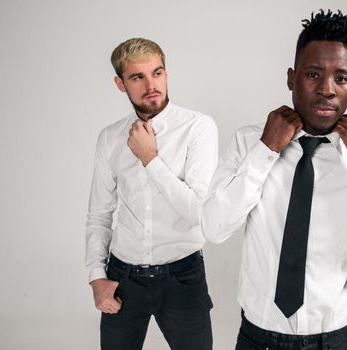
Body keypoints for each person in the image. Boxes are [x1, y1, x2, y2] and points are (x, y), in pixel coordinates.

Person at [201, 10, 347, 350]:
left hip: (333, 340)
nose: (327, 89)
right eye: (313, 74)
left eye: (341, 78)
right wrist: (266, 150)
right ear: (291, 78)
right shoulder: (248, 143)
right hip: (258, 338)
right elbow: (214, 227)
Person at [85, 37, 217, 350]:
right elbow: (99, 215)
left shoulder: (198, 128)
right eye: (137, 77)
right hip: (122, 278)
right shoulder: (110, 138)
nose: (151, 85)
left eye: (157, 73)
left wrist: (150, 159)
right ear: (121, 84)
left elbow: (201, 213)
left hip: (182, 277)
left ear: (166, 73)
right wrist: (96, 277)